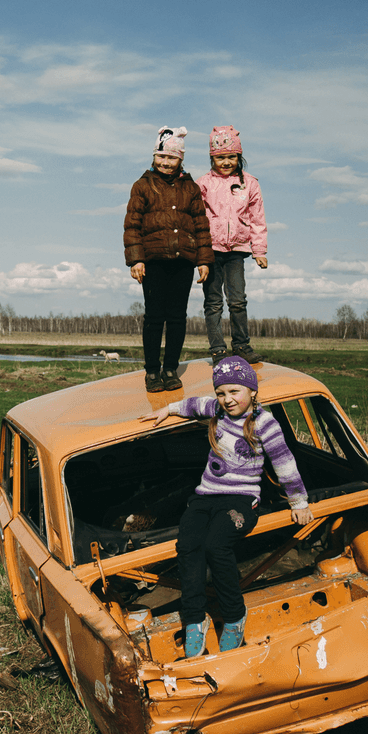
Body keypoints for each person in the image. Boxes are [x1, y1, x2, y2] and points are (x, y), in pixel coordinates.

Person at [141, 356, 312, 658]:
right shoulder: (217, 410)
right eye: (221, 393)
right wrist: (168, 409)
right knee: (188, 544)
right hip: (206, 495)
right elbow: (193, 404)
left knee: (216, 545)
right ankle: (195, 619)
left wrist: (299, 502)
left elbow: (285, 464)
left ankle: (234, 617)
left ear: (252, 391)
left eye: (235, 391)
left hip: (241, 499)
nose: (227, 399)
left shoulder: (264, 423)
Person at [125, 126, 213, 393]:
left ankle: (171, 369)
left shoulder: (191, 188)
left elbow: (201, 225)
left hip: (183, 260)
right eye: (161, 156)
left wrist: (204, 260)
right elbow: (132, 225)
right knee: (154, 317)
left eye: (171, 158)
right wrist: (135, 260)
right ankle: (152, 371)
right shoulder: (142, 186)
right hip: (152, 261)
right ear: (154, 157)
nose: (165, 162)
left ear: (181, 159)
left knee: (177, 317)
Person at [197, 126, 267, 366]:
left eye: (231, 156)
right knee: (213, 302)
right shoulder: (203, 184)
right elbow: (196, 219)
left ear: (239, 156)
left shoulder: (250, 184)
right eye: (220, 157)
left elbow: (257, 218)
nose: (226, 162)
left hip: (237, 250)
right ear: (212, 157)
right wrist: (198, 251)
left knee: (237, 300)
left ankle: (241, 345)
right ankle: (217, 349)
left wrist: (259, 251)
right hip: (211, 250)